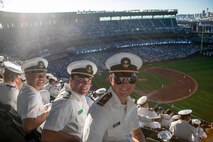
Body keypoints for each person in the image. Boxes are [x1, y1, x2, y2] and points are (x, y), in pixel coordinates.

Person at [82, 52, 146, 142]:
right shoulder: (100, 110)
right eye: (119, 79)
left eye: (131, 79)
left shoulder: (130, 103)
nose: (125, 84)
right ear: (111, 79)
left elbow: (137, 133)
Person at [41, 60, 97, 142]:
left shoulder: (80, 96)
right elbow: (48, 135)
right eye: (81, 80)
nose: (85, 84)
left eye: (88, 81)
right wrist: (75, 139)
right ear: (71, 80)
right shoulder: (65, 102)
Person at [17, 57, 50, 134]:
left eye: (44, 74)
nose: (42, 77)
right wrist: (47, 113)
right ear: (27, 75)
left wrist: (43, 108)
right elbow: (28, 127)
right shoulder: (32, 95)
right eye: (37, 73)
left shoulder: (27, 89)